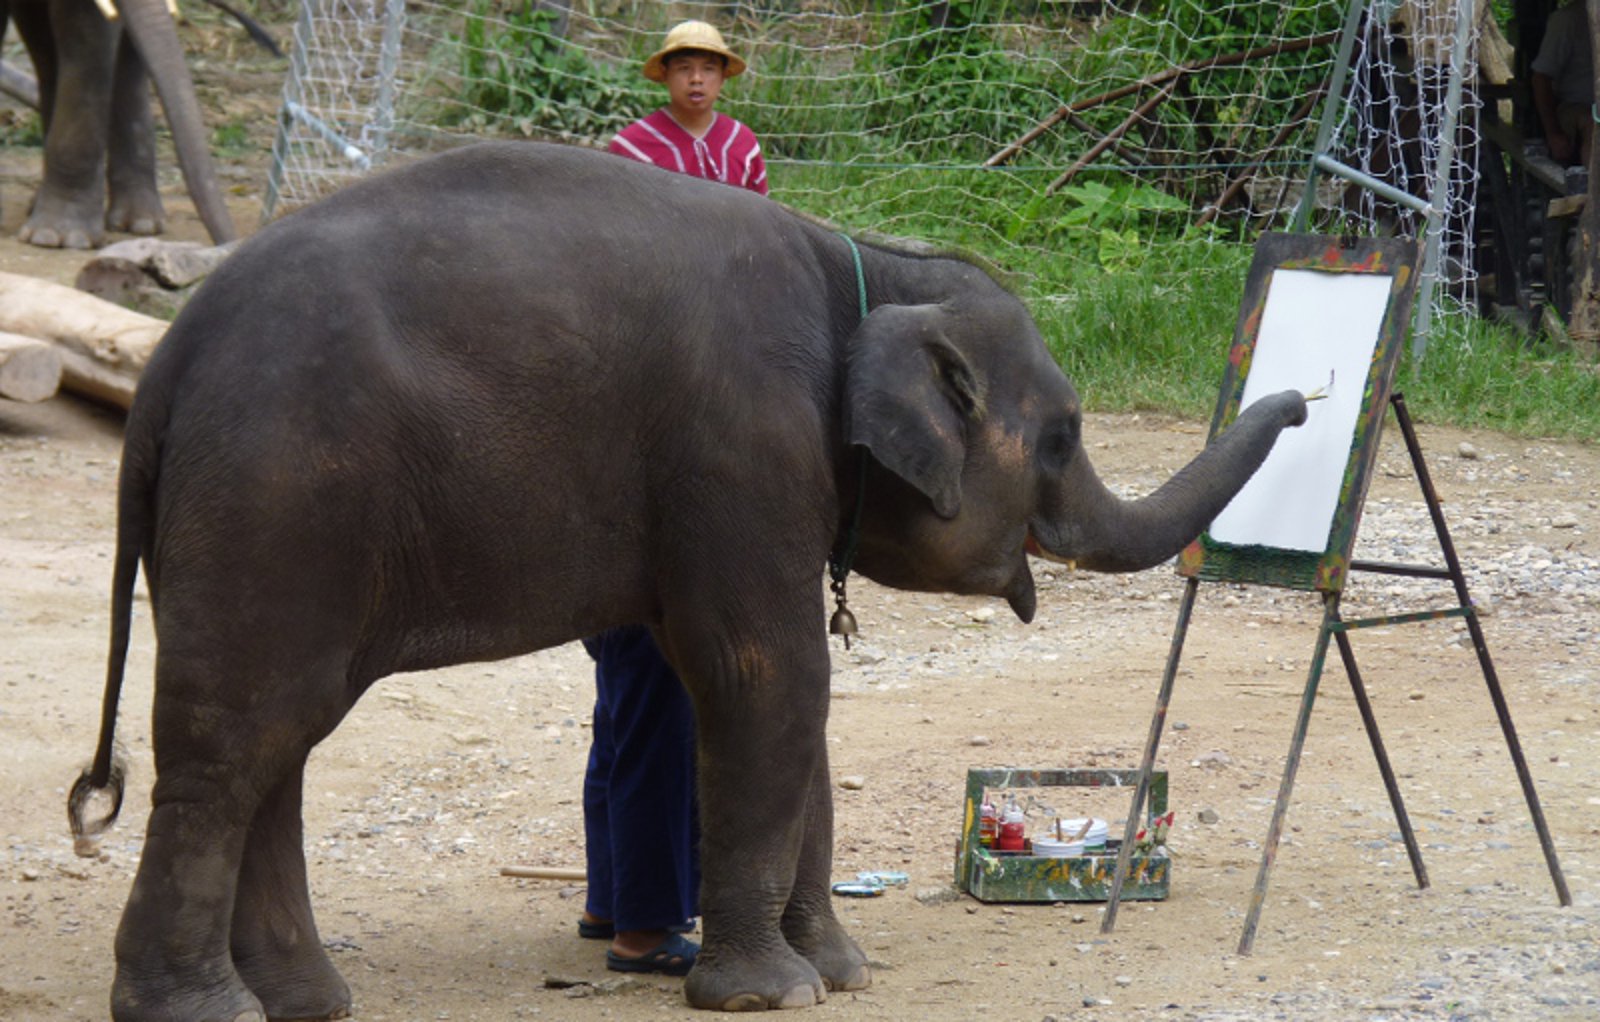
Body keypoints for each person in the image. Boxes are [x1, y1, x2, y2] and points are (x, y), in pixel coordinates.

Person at [580, 20, 769, 978]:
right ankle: (645, 923)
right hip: (673, 412)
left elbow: (765, 273)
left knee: (624, 700)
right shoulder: (628, 155)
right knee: (653, 694)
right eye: (684, 66)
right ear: (665, 77)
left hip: (689, 383)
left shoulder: (743, 151)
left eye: (710, 67)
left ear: (724, 78)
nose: (697, 79)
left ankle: (611, 892)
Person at [1531, 0, 1594, 168]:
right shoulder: (1568, 19)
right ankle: (1593, 189)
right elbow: (1541, 78)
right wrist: (1553, 133)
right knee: (1594, 123)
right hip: (1576, 106)